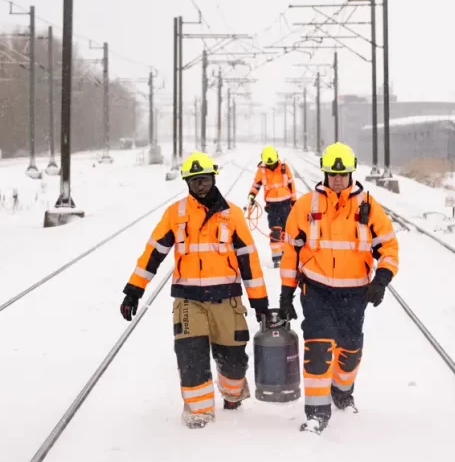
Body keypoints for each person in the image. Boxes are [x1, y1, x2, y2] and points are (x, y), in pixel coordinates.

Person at [120, 151, 270, 429]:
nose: (200, 185)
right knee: (190, 356)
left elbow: (248, 260)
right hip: (188, 301)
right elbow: (154, 253)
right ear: (187, 183)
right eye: (194, 181)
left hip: (227, 299)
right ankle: (199, 412)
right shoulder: (175, 214)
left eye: (205, 180)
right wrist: (134, 290)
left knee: (234, 359)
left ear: (214, 178)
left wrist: (260, 303)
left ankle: (233, 394)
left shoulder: (233, 215)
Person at [277, 141, 400, 434]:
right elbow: (291, 251)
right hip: (316, 291)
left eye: (342, 174)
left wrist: (381, 280)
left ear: (351, 173)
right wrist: (286, 294)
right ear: (325, 173)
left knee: (350, 352)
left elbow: (389, 247)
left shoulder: (368, 206)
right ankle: (316, 414)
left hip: (355, 294)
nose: (337, 179)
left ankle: (342, 393)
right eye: (332, 174)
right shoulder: (306, 206)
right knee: (318, 350)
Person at [246, 145, 297, 268]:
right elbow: (256, 185)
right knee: (275, 232)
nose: (271, 165)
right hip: (272, 207)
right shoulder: (261, 170)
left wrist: (294, 202)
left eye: (272, 163)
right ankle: (277, 258)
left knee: (287, 231)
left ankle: (287, 255)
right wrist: (251, 196)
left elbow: (291, 184)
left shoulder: (284, 167)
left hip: (286, 204)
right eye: (269, 164)